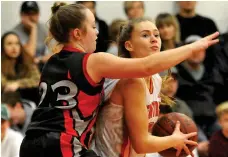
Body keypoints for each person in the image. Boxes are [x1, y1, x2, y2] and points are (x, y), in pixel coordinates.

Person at [19, 3, 219, 157]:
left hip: (31, 142)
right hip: (63, 144)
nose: (97, 32)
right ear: (78, 33)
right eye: (93, 26)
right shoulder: (95, 62)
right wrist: (193, 47)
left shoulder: (51, 62)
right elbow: (146, 66)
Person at [94, 17, 197, 157]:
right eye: (145, 35)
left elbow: (143, 137)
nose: (154, 39)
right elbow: (141, 144)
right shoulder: (131, 82)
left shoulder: (156, 80)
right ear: (129, 45)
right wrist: (173, 140)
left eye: (156, 34)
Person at [1, 31, 40, 103]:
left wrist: (18, 84)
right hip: (8, 99)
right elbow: (4, 84)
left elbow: (37, 79)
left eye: (17, 43)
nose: (14, 47)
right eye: (9, 44)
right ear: (3, 47)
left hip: (30, 97)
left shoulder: (28, 60)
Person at [13, 1, 51, 71]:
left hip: (41, 66)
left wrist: (40, 59)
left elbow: (57, 51)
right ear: (21, 15)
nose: (31, 17)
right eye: (27, 14)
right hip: (24, 68)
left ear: (39, 14)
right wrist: (33, 28)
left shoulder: (44, 28)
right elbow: (29, 56)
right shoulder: (15, 33)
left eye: (34, 14)